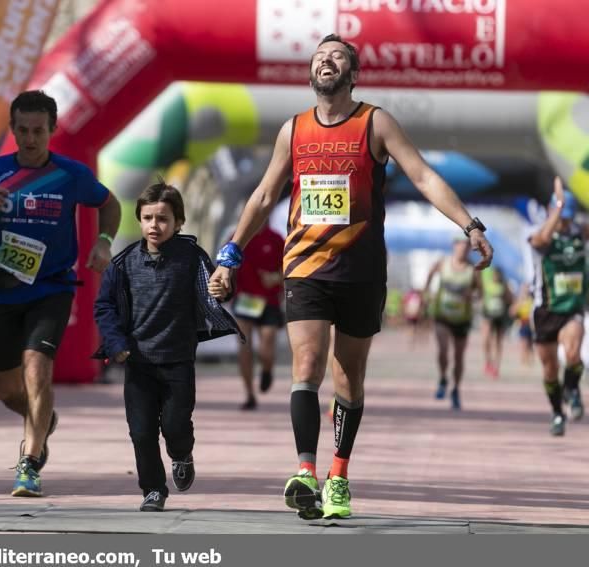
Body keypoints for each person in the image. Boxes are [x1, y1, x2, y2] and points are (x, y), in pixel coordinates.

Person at [208, 34, 493, 520]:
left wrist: (469, 225)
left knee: (349, 379)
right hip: (305, 268)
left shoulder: (374, 123)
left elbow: (423, 176)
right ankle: (305, 471)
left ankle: (338, 475)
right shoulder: (293, 130)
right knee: (307, 365)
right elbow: (261, 197)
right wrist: (230, 253)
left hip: (361, 271)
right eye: (319, 56)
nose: (326, 61)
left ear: (353, 74)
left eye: (336, 56)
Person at [0, 90, 121, 496]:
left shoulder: (70, 174)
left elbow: (109, 204)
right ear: (12, 130)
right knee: (7, 389)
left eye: (38, 131)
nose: (30, 138)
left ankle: (29, 462)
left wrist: (103, 241)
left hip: (53, 286)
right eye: (23, 130)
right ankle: (44, 420)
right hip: (5, 290)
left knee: (37, 366)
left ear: (52, 130)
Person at [94, 181, 242, 512]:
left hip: (178, 362)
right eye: (147, 218)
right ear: (139, 220)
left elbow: (213, 288)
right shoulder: (123, 264)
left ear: (179, 222)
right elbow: (104, 307)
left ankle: (182, 453)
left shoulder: (191, 257)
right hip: (138, 362)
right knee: (141, 432)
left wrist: (222, 292)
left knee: (175, 426)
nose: (154, 226)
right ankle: (154, 489)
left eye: (162, 219)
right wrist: (116, 343)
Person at [528, 177, 586, 436]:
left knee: (573, 354)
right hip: (545, 311)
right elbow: (540, 240)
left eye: (568, 217)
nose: (565, 223)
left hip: (572, 309)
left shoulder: (580, 234)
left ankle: (573, 389)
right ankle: (557, 413)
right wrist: (558, 207)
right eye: (561, 217)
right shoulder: (540, 237)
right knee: (550, 369)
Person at [228, 223, 285, 410]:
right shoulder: (236, 236)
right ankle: (249, 394)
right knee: (244, 347)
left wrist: (276, 278)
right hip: (245, 299)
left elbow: (288, 268)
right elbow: (225, 265)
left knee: (266, 348)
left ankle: (267, 369)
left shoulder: (276, 238)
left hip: (269, 301)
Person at [424, 236, 481, 409]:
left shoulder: (473, 270)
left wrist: (471, 296)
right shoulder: (443, 263)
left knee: (458, 356)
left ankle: (455, 389)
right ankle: (442, 378)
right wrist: (426, 294)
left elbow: (480, 294)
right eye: (460, 245)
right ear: (454, 246)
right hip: (442, 315)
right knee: (442, 350)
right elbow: (430, 275)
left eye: (466, 246)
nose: (463, 249)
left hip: (462, 318)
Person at [480, 266, 514, 379]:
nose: (495, 277)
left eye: (497, 275)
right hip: (488, 315)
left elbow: (511, 299)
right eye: (494, 275)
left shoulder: (504, 285)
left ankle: (497, 366)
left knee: (498, 342)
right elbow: (481, 294)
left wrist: (510, 305)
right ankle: (488, 362)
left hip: (500, 316)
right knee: (486, 339)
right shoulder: (487, 283)